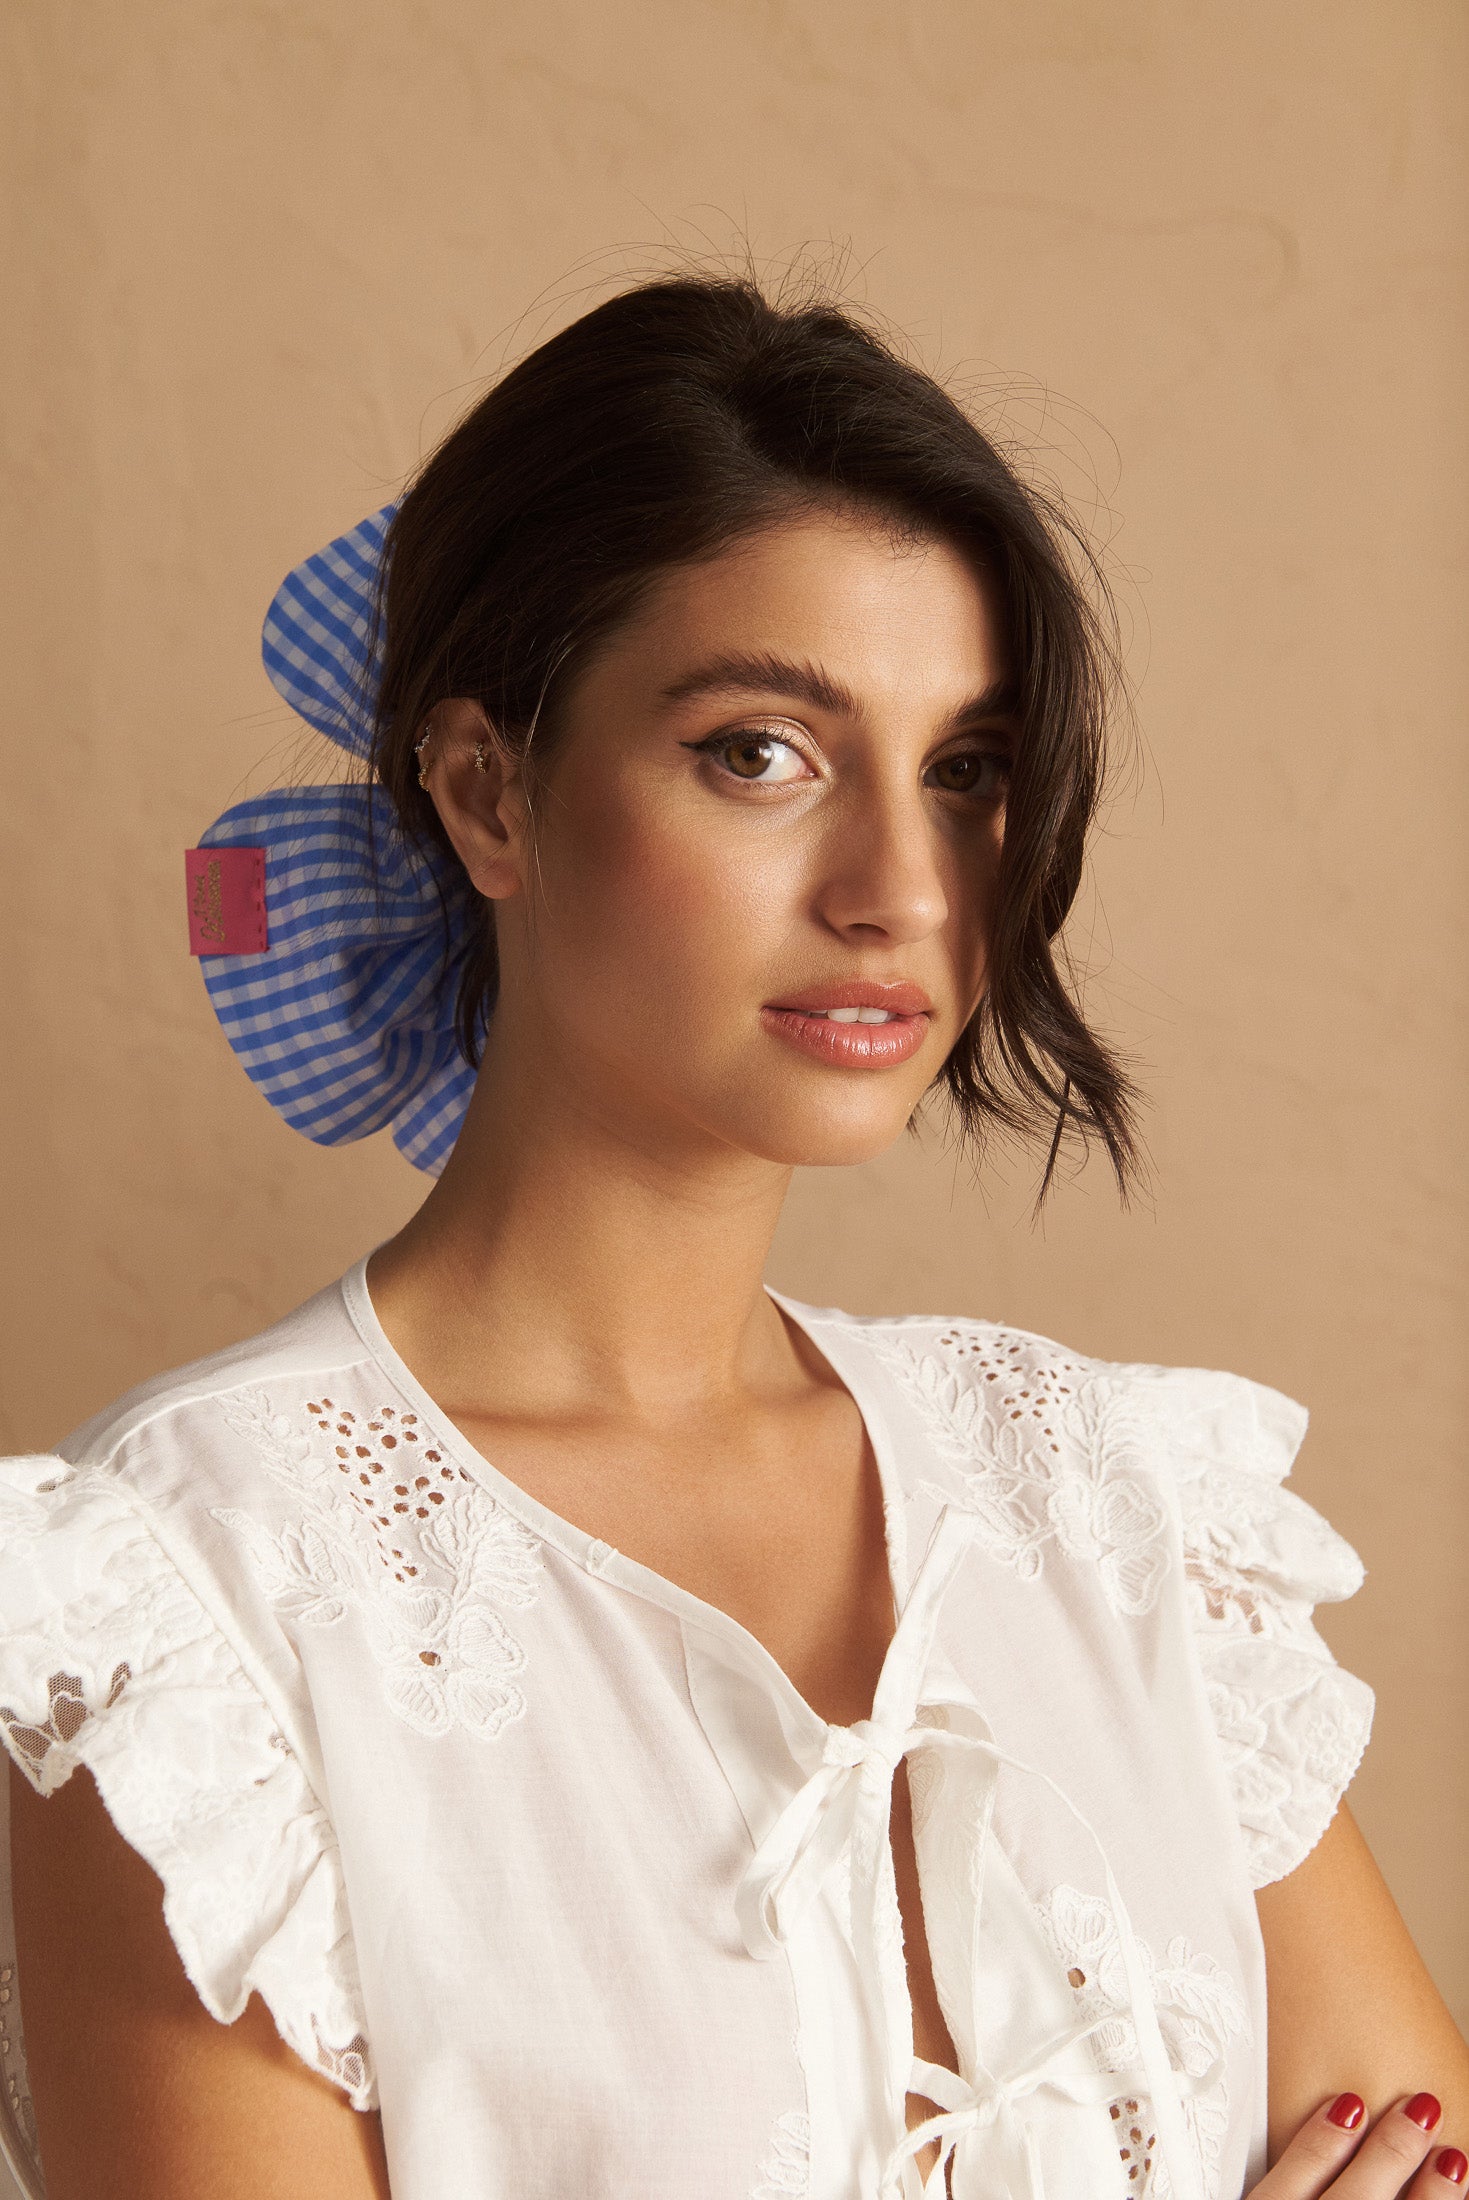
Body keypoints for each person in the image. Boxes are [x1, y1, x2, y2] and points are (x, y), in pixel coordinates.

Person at [2, 274, 1465, 2200]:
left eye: (963, 770)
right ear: (485, 791)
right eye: (761, 751)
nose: (898, 889)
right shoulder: (184, 1612)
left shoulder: (1104, 1501)